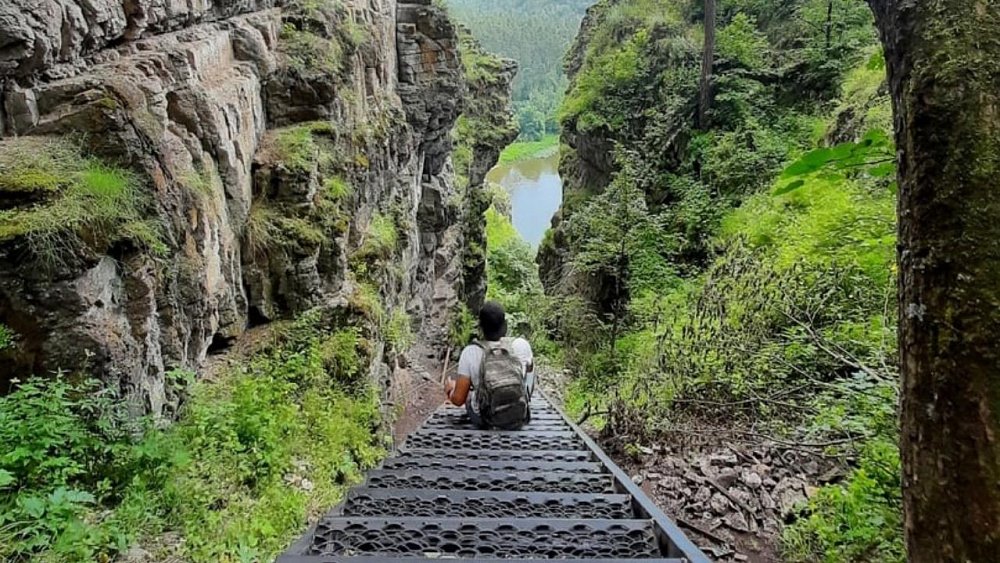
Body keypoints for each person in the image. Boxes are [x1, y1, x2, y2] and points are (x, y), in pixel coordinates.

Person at [445, 301, 535, 428]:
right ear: (505, 325)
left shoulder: (470, 352)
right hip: (519, 415)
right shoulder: (521, 345)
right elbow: (529, 376)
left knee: (469, 395)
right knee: (530, 366)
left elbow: (458, 400)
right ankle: (524, 401)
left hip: (486, 420)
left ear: (480, 328)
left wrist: (450, 390)